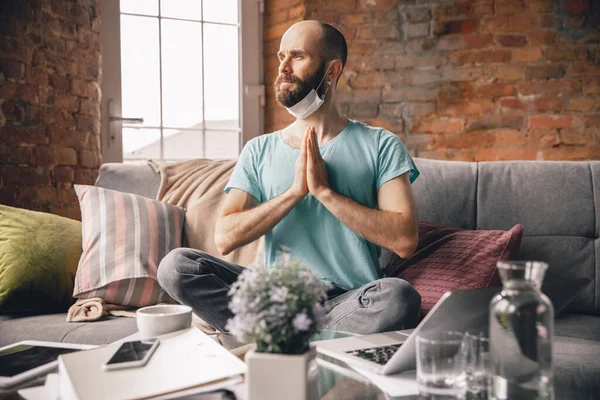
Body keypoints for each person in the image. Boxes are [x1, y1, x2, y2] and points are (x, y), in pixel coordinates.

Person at [158, 20, 421, 334]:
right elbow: (225, 237)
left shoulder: (380, 144)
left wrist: (325, 193)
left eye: (297, 56)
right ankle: (296, 334)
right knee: (177, 266)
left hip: (349, 301)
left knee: (399, 297)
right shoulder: (258, 149)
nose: (283, 67)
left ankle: (277, 336)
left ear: (332, 70)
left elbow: (405, 240)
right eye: (281, 57)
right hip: (274, 298)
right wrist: (293, 193)